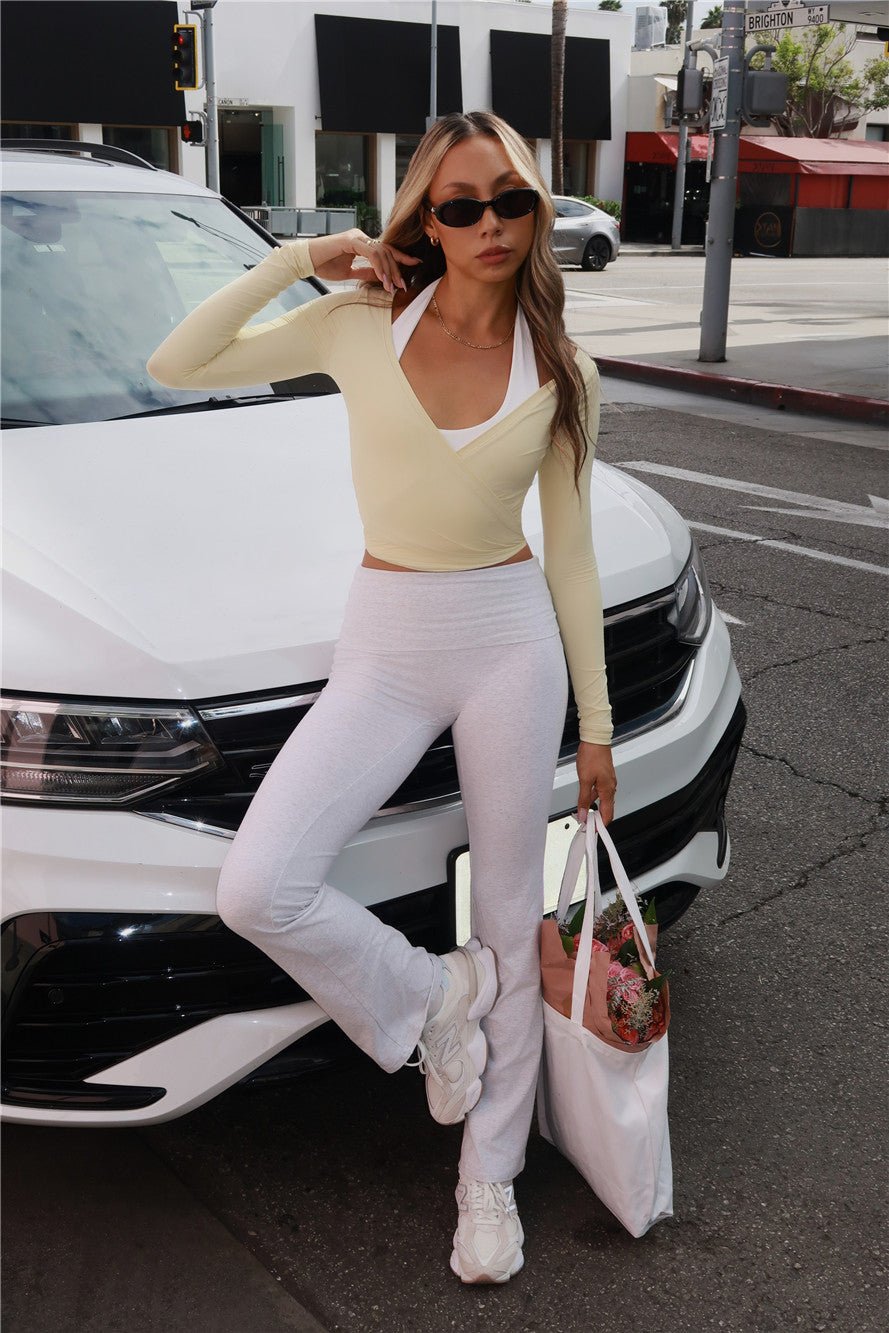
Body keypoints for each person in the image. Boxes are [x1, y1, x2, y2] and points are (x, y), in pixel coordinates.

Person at [146, 109, 617, 1286]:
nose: (490, 223)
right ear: (427, 220)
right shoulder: (362, 321)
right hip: (390, 640)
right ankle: (431, 996)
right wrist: (296, 259)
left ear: (536, 209)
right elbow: (178, 364)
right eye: (460, 204)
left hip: (509, 641)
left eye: (510, 199)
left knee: (508, 918)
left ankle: (489, 1177)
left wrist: (599, 728)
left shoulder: (563, 369)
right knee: (260, 884)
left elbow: (570, 555)